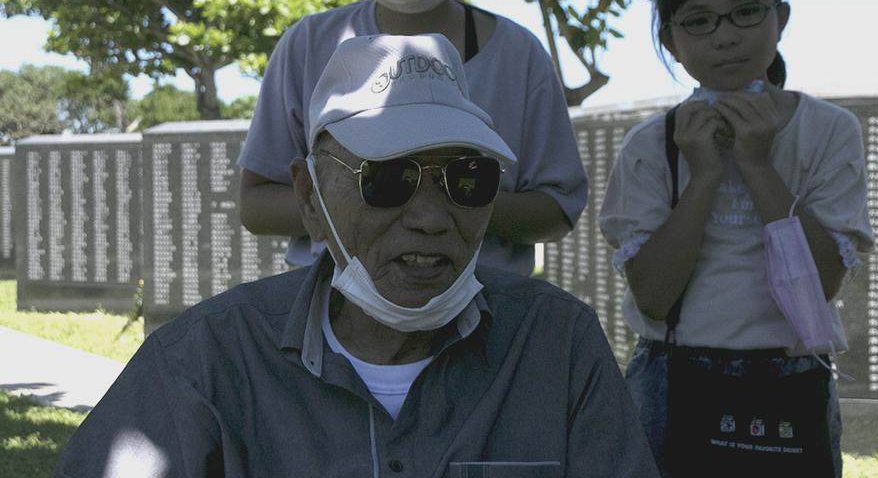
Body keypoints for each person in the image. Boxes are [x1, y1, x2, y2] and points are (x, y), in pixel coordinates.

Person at [57, 34, 658, 477]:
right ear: (309, 198)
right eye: (388, 178)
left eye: (466, 178)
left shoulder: (558, 347)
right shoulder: (204, 361)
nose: (430, 216)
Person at [598, 0, 873, 478]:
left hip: (790, 375)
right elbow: (653, 296)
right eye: (698, 20)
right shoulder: (652, 144)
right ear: (671, 41)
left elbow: (821, 286)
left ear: (781, 17)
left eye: (745, 12)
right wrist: (701, 176)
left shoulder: (827, 131)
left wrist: (757, 164)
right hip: (672, 375)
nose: (725, 37)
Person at [237, 0, 587, 277]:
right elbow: (256, 203)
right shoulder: (308, 45)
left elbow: (557, 209)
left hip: (486, 309)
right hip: (336, 304)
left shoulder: (520, 55)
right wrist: (378, 201)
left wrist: (447, 200)